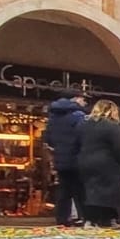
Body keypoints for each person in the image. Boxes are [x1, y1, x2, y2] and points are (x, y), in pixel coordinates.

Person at [75, 100, 120, 228]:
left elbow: (76, 144)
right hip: (108, 164)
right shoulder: (112, 126)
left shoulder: (83, 125)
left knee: (91, 191)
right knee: (108, 193)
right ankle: (109, 219)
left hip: (85, 162)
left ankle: (90, 220)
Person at [42, 95, 86, 225]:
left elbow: (48, 139)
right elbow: (83, 136)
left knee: (64, 190)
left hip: (60, 159)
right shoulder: (78, 116)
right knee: (80, 191)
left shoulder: (53, 118)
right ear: (76, 99)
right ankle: (84, 217)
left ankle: (62, 219)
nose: (84, 102)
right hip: (77, 158)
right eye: (83, 99)